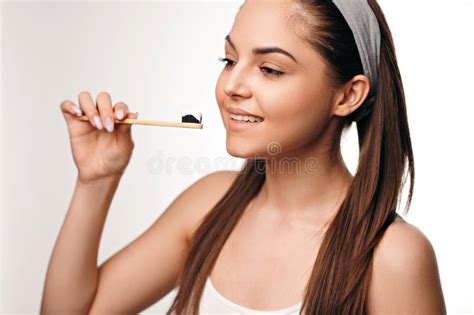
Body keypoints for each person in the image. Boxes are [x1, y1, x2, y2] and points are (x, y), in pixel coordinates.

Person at [41, 0, 446, 314]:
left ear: (346, 95)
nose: (232, 85)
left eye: (270, 69)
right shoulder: (210, 204)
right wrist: (95, 181)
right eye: (230, 60)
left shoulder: (393, 257)